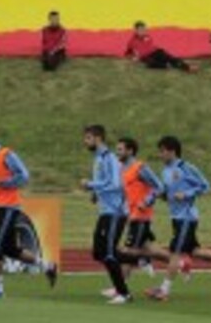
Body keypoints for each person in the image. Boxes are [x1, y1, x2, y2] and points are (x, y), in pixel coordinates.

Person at [145, 136, 211, 301]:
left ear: (172, 151)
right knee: (194, 251)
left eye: (162, 151)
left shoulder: (186, 168)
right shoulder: (165, 171)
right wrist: (160, 196)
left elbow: (205, 186)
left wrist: (186, 194)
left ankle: (164, 290)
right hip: (176, 217)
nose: (160, 155)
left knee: (174, 253)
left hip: (187, 217)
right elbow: (168, 193)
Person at [0, 127, 58, 299]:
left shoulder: (6, 154)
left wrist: (3, 183)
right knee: (11, 249)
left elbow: (24, 176)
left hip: (8, 206)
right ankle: (47, 266)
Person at [101, 138, 192, 300]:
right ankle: (180, 263)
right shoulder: (122, 169)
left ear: (130, 151)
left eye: (120, 149)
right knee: (147, 248)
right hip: (132, 214)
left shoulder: (140, 167)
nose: (117, 152)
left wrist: (146, 201)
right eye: (117, 149)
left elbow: (159, 187)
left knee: (128, 250)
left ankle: (120, 287)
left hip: (141, 215)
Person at [80, 125, 132, 305]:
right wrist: (96, 193)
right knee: (98, 252)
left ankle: (124, 294)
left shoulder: (109, 158)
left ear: (98, 138)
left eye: (88, 138)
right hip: (105, 211)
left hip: (115, 212)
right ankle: (139, 258)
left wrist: (92, 185)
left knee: (109, 254)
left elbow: (116, 184)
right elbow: (105, 182)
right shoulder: (98, 158)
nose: (85, 141)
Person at [125, 21, 196, 73]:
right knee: (150, 63)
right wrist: (134, 58)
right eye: (140, 30)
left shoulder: (147, 37)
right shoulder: (132, 41)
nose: (143, 31)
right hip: (146, 57)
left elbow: (150, 47)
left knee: (169, 58)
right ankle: (167, 65)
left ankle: (187, 67)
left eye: (144, 29)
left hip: (156, 52)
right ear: (135, 30)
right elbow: (128, 52)